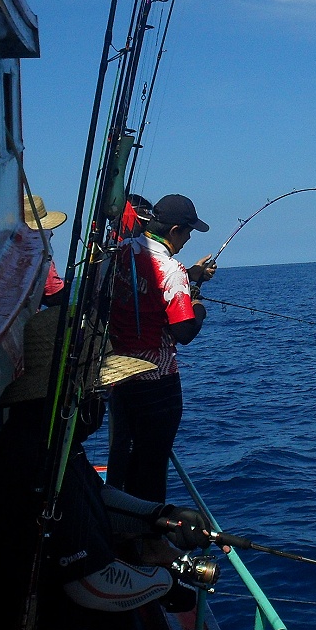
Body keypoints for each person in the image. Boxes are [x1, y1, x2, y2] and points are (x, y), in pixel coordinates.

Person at [0, 395, 260, 630]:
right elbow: (92, 585)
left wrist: (163, 516)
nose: (103, 402)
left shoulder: (45, 436)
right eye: (96, 392)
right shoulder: (39, 452)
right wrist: (165, 582)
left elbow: (97, 496)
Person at [107, 193, 217, 503]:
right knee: (152, 464)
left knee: (124, 451)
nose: (188, 239)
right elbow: (184, 331)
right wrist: (199, 307)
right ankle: (147, 539)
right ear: (174, 231)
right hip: (157, 384)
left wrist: (192, 277)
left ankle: (117, 518)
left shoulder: (121, 251)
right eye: (187, 232)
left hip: (119, 374)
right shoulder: (171, 271)